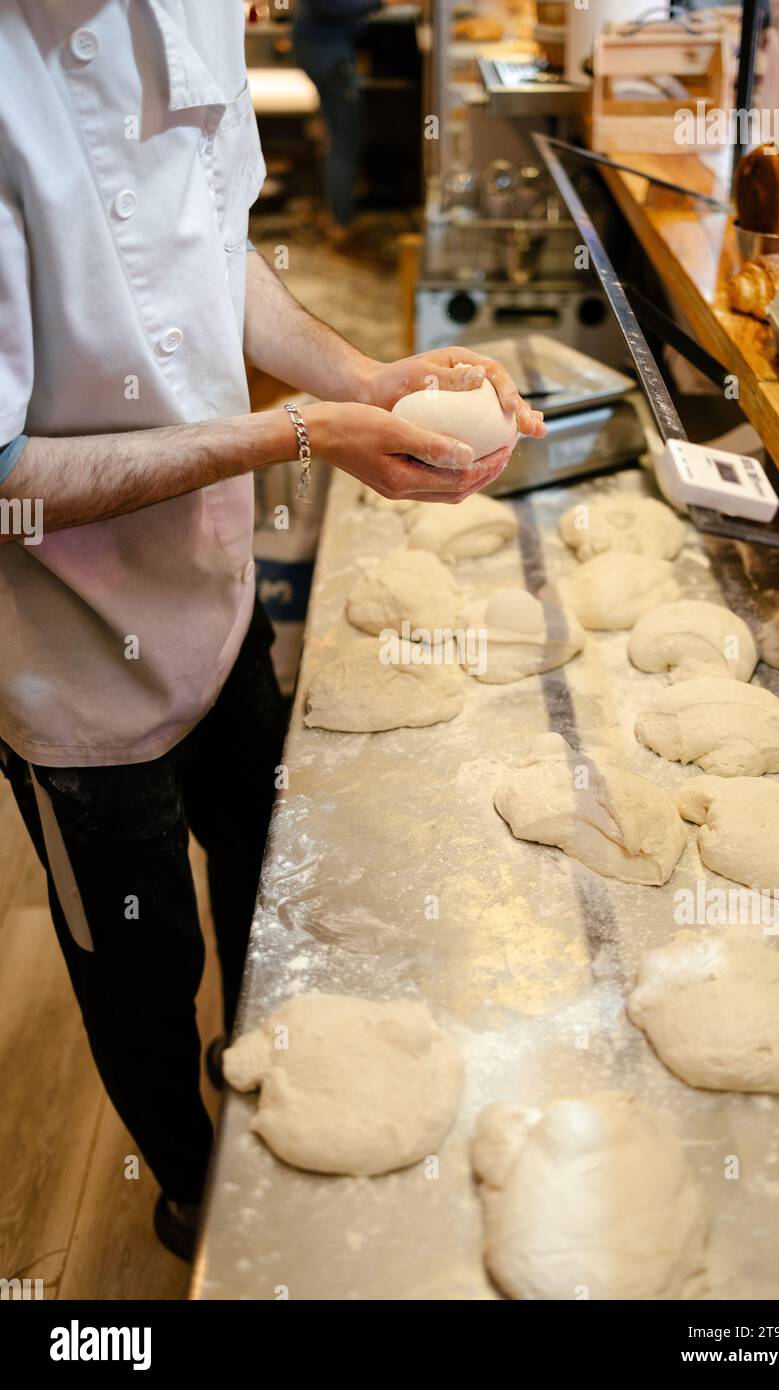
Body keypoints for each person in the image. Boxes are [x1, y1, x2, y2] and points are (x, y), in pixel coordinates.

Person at [0, 0, 542, 1262]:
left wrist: (355, 381)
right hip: (68, 656)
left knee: (267, 863)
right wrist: (300, 433)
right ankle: (191, 1183)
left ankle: (265, 1071)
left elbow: (210, 246)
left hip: (218, 581)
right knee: (138, 960)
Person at [291, 0, 402, 242]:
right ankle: (340, 222)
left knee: (340, 133)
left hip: (324, 49)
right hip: (326, 52)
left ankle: (336, 213)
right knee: (345, 137)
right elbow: (331, 7)